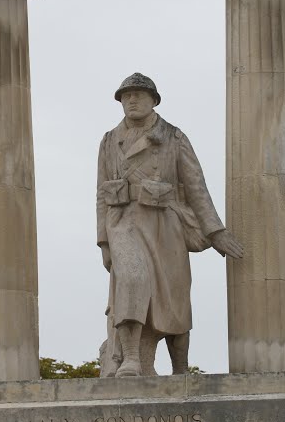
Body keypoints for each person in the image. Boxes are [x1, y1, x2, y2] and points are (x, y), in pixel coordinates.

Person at [97, 72, 243, 377]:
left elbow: (196, 187)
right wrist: (104, 243)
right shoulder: (110, 140)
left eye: (138, 95)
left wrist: (215, 232)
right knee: (132, 280)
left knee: (174, 301)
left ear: (153, 100)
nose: (131, 100)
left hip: (166, 225)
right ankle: (132, 360)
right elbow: (101, 193)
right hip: (123, 223)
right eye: (126, 96)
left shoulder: (174, 137)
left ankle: (180, 368)